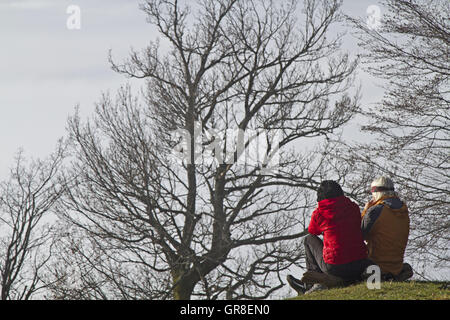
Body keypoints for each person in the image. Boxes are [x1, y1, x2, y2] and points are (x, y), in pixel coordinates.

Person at [287, 180, 371, 294]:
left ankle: (311, 284)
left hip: (335, 268)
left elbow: (313, 231)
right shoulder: (353, 207)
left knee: (308, 239)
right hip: (360, 263)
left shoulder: (319, 213)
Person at [361, 177, 413, 280]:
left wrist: (365, 211)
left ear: (376, 192)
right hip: (396, 266)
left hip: (375, 264)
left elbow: (360, 234)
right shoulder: (403, 209)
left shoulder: (375, 211)